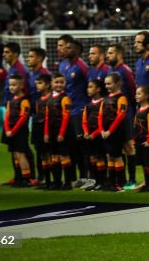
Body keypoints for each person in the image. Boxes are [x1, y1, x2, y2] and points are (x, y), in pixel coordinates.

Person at [57, 35, 90, 185]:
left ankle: (85, 176)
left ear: (77, 50)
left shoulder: (82, 66)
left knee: (81, 145)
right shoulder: (63, 65)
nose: (64, 49)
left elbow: (89, 87)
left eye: (68, 47)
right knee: (70, 146)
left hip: (79, 110)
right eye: (64, 47)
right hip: (67, 111)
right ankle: (74, 177)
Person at [106, 43, 137, 189]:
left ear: (119, 55)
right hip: (114, 116)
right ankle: (120, 179)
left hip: (125, 114)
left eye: (111, 53)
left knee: (128, 147)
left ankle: (132, 179)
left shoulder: (124, 71)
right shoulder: (113, 71)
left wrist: (131, 112)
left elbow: (132, 91)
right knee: (117, 149)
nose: (108, 55)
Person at [43, 73, 75, 190]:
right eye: (56, 82)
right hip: (52, 132)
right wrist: (46, 133)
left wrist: (61, 133)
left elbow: (66, 116)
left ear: (65, 83)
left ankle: (67, 183)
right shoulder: (50, 99)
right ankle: (57, 181)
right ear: (51, 83)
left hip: (63, 131)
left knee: (64, 156)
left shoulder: (65, 99)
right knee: (54, 157)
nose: (59, 84)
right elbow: (47, 117)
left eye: (61, 82)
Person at [100, 72, 130, 191]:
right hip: (106, 132)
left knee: (117, 156)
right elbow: (100, 116)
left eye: (109, 84)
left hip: (117, 131)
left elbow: (121, 115)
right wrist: (102, 130)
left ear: (117, 83)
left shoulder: (121, 98)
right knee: (110, 157)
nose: (107, 86)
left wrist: (110, 130)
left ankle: (120, 182)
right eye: (105, 84)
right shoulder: (105, 99)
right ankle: (111, 181)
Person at [3, 74, 33, 187]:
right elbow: (7, 116)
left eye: (14, 85)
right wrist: (7, 129)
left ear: (21, 86)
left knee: (21, 154)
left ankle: (27, 178)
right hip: (11, 132)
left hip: (20, 131)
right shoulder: (11, 101)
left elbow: (23, 118)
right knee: (15, 154)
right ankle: (19, 177)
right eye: (10, 85)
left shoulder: (24, 101)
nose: (11, 87)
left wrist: (13, 130)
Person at [82, 79, 107, 189]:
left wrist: (95, 133)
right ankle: (95, 181)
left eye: (91, 87)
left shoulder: (104, 103)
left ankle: (102, 181)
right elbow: (84, 121)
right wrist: (86, 132)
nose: (88, 89)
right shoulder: (88, 106)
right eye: (88, 87)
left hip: (99, 135)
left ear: (98, 89)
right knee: (92, 158)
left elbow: (104, 122)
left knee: (100, 157)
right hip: (90, 136)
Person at [134, 85, 149, 193]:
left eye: (139, 94)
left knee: (148, 164)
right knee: (143, 164)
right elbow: (135, 125)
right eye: (136, 94)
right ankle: (146, 183)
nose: (136, 96)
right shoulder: (138, 109)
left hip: (146, 141)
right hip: (139, 140)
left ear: (146, 95)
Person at [31, 74, 52, 188]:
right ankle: (44, 179)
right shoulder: (38, 100)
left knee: (48, 155)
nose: (37, 86)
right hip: (38, 129)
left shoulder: (51, 99)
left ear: (48, 84)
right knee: (41, 155)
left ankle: (51, 179)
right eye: (36, 84)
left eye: (40, 83)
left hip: (47, 129)